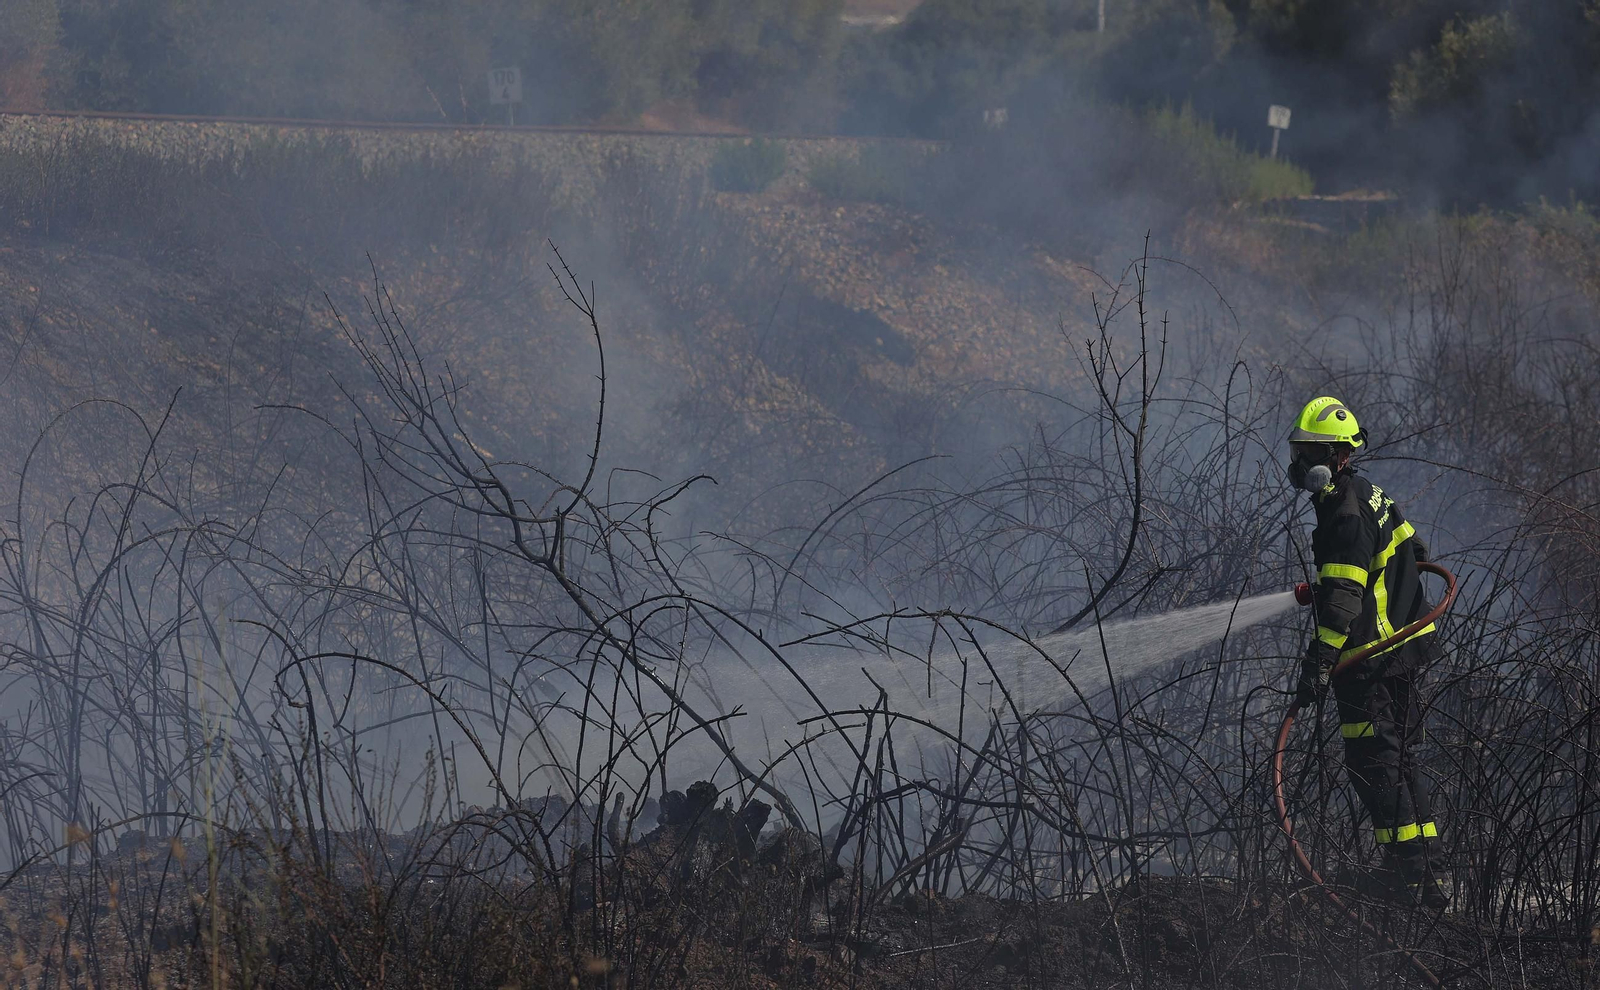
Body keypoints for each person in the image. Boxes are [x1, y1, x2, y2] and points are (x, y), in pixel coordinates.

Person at [1287, 395, 1448, 911]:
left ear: (1337, 457)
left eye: (1310, 452)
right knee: (1398, 760)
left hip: (1371, 661)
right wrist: (1362, 580)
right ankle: (1427, 877)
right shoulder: (1368, 493)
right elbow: (1414, 551)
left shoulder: (1344, 513)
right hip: (1401, 651)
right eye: (1297, 451)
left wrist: (1316, 668)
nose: (1298, 464)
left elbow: (1338, 612)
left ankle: (1408, 886)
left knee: (1374, 764)